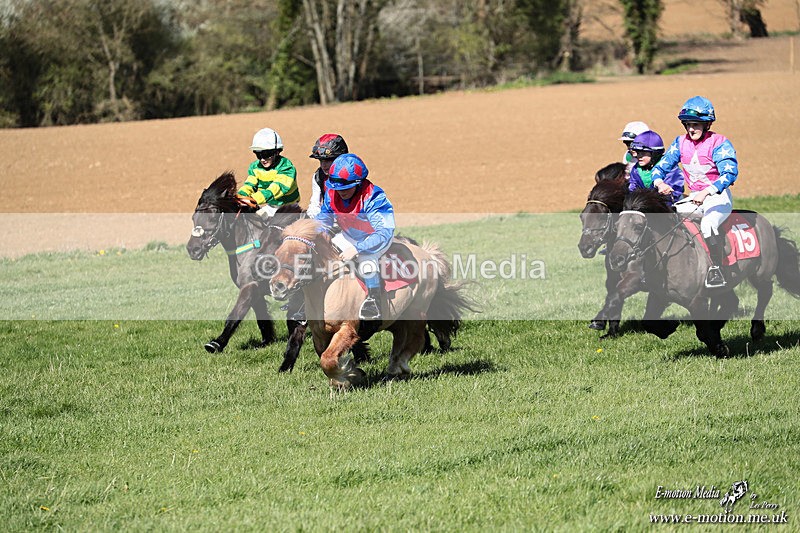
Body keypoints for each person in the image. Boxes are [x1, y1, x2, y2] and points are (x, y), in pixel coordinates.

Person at [650, 96, 739, 288]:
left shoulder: (720, 143)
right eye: (688, 124)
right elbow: (659, 169)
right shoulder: (680, 143)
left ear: (707, 124)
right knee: (668, 218)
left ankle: (716, 270)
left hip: (718, 198)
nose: (691, 129)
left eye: (696, 124)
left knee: (708, 224)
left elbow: (730, 174)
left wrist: (706, 192)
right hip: (694, 198)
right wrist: (659, 183)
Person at [314, 153, 395, 321]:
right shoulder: (332, 193)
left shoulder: (373, 197)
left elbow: (383, 233)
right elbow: (324, 218)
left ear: (358, 184)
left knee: (366, 259)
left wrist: (357, 249)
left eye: (345, 187)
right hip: (348, 235)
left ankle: (374, 302)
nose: (340, 191)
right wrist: (317, 232)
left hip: (376, 238)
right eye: (337, 187)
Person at [237, 127, 300, 218]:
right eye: (258, 155)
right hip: (271, 207)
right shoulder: (254, 167)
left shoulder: (286, 167)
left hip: (289, 208)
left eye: (266, 154)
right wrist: (240, 197)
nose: (262, 159)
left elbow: (274, 190)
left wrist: (253, 200)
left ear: (277, 152)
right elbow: (249, 185)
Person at [627, 130, 684, 205]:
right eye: (637, 152)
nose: (639, 156)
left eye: (643, 153)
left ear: (654, 154)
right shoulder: (636, 169)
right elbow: (632, 190)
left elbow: (674, 193)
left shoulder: (669, 168)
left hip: (669, 206)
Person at [307, 133, 349, 218]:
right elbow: (315, 204)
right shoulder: (318, 176)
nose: (323, 165)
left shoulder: (352, 175)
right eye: (321, 161)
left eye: (328, 160)